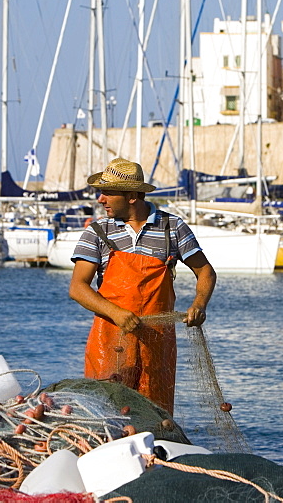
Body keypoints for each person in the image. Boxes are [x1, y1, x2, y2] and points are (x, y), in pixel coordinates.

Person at [68, 157, 217, 414]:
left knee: (154, 415)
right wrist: (116, 313)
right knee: (108, 411)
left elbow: (205, 272)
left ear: (132, 196)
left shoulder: (172, 227)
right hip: (110, 342)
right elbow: (78, 288)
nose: (100, 199)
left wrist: (199, 305)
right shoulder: (97, 231)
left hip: (157, 343)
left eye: (108, 193)